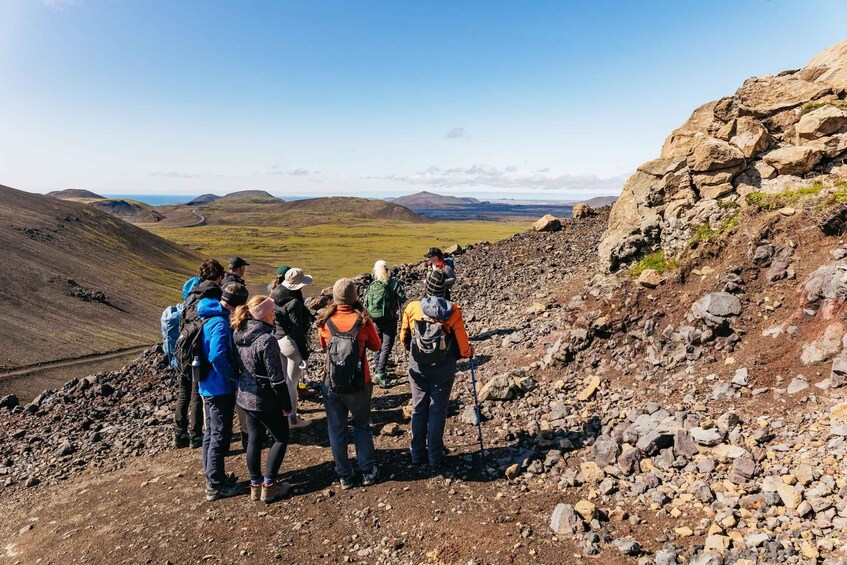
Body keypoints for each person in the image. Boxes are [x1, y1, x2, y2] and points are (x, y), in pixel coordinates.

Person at [400, 269, 472, 467]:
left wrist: (414, 353)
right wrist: (467, 354)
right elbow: (463, 347)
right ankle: (434, 455)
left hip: (418, 367)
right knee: (438, 410)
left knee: (418, 408)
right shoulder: (453, 311)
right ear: (444, 291)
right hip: (443, 368)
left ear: (426, 287)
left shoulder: (413, 307)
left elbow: (404, 338)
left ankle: (416, 453)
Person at [317, 279, 381, 489]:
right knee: (362, 426)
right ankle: (367, 469)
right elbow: (376, 345)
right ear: (355, 297)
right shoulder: (363, 321)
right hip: (359, 383)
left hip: (331, 382)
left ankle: (344, 474)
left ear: (335, 297)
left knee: (337, 429)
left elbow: (324, 346)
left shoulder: (325, 322)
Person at [231, 295, 293, 504]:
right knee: (281, 437)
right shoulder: (267, 340)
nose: (274, 316)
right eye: (272, 313)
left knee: (254, 439)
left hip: (244, 397)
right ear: (264, 315)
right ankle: (269, 486)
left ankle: (255, 486)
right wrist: (286, 405)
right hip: (265, 399)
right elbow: (277, 379)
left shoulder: (239, 333)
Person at [197, 281, 248, 501]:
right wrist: (232, 375)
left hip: (208, 384)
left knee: (210, 433)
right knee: (218, 434)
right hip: (219, 386)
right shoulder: (219, 322)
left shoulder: (209, 315)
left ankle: (213, 475)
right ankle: (215, 486)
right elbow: (217, 356)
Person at [173, 259, 225, 449]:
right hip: (198, 352)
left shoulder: (190, 296)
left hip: (182, 351)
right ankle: (196, 435)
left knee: (183, 393)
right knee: (196, 393)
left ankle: (179, 434)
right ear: (218, 276)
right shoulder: (214, 295)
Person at [272, 267, 314, 430]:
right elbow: (297, 330)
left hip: (278, 339)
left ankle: (281, 416)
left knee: (282, 381)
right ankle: (292, 420)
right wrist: (304, 353)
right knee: (292, 383)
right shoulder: (294, 302)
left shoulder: (275, 294)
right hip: (290, 342)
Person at [365, 260, 407, 387]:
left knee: (378, 343)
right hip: (389, 318)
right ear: (387, 269)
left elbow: (366, 300)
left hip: (375, 318)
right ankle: (380, 373)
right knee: (387, 346)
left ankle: (378, 367)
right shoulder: (393, 283)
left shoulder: (373, 284)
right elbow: (402, 298)